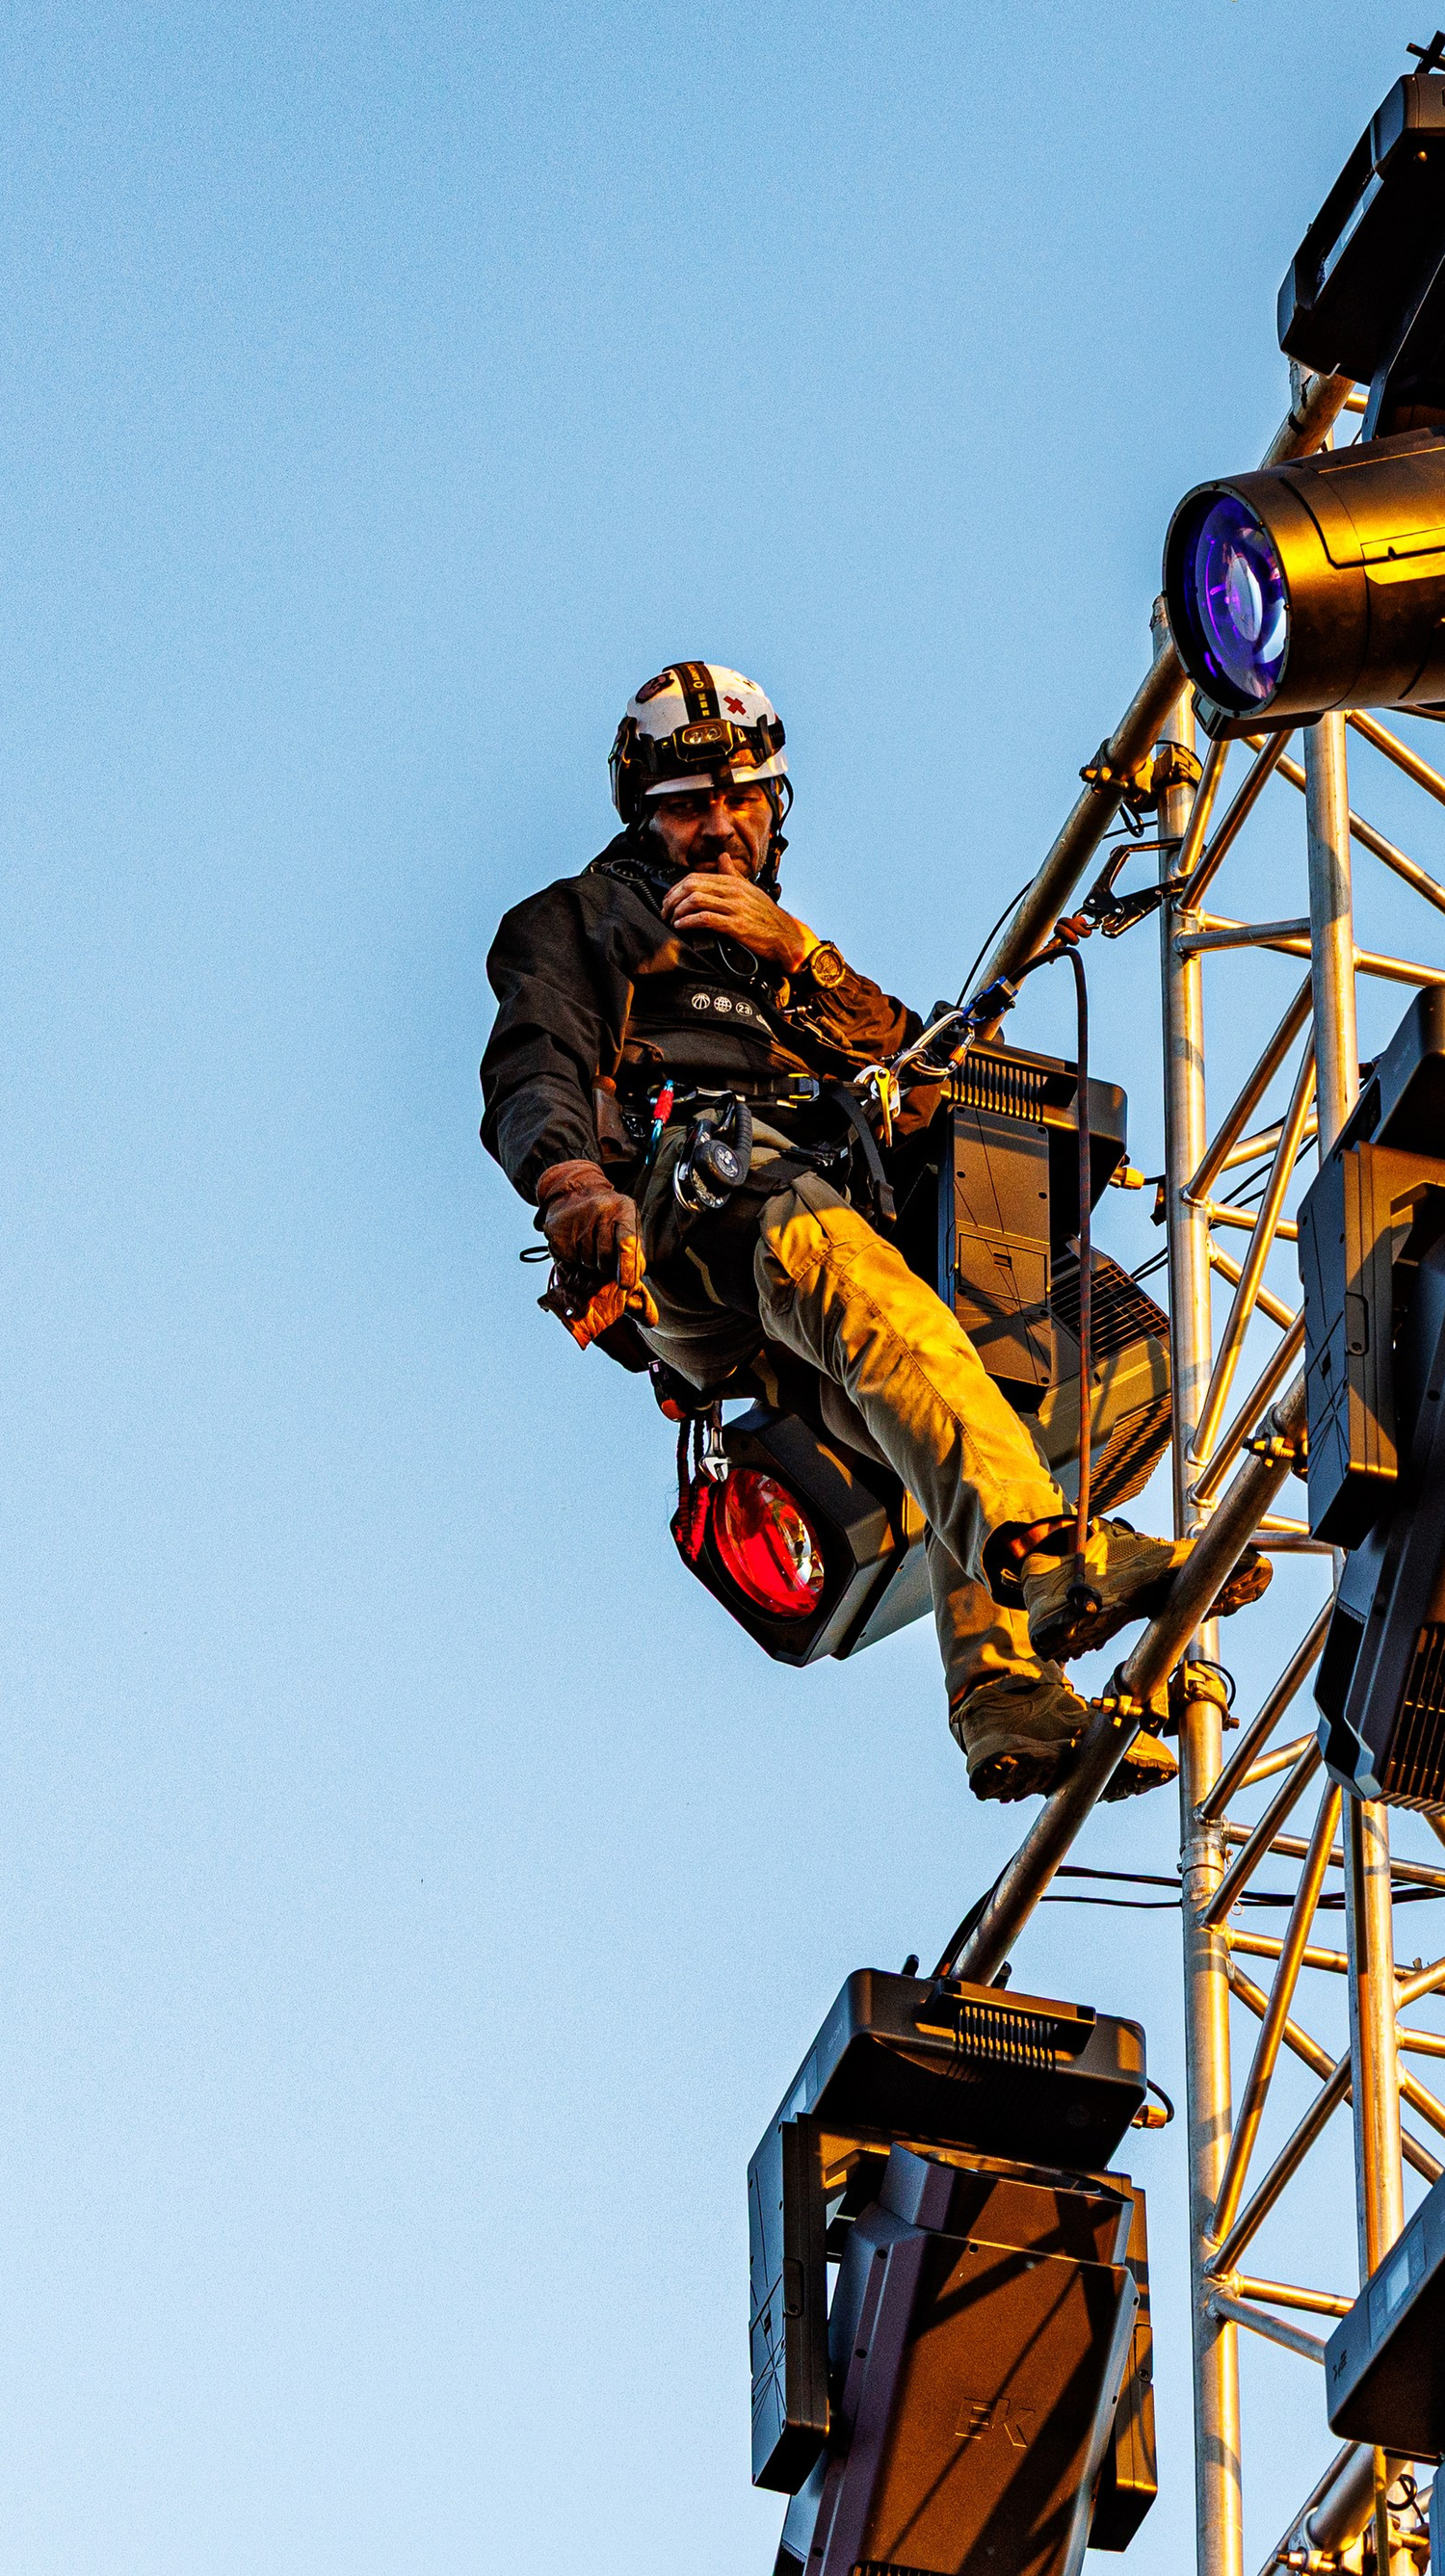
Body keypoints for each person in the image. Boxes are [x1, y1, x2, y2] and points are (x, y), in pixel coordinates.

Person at [479, 660, 1267, 1801]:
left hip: (812, 1225)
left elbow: (924, 1074)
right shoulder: (578, 921)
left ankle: (1005, 1696)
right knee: (831, 1249)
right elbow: (535, 1066)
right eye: (692, 804)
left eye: (744, 799)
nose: (722, 827)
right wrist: (571, 1188)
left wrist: (803, 956)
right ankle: (1053, 1555)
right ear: (642, 811)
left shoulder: (785, 958)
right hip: (691, 1216)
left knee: (959, 1366)